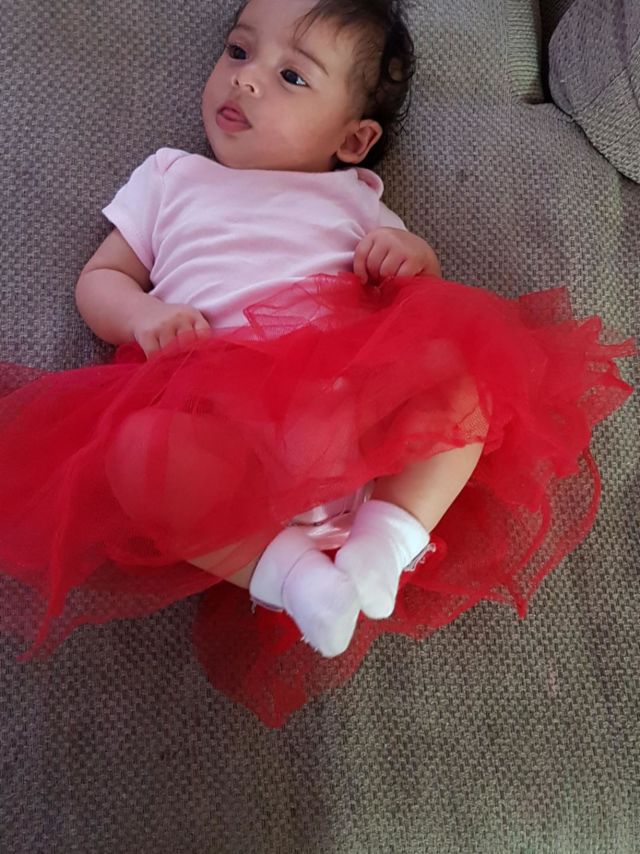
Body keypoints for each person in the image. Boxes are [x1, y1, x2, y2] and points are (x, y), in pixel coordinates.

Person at [0, 0, 634, 726]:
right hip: (219, 424)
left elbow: (417, 297)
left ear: (353, 139)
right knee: (136, 452)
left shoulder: (356, 199)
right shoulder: (171, 177)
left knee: (460, 371)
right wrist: (142, 316)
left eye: (292, 76)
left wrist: (409, 257)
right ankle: (293, 576)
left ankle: (388, 538)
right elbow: (101, 280)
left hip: (350, 419)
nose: (245, 80)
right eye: (239, 52)